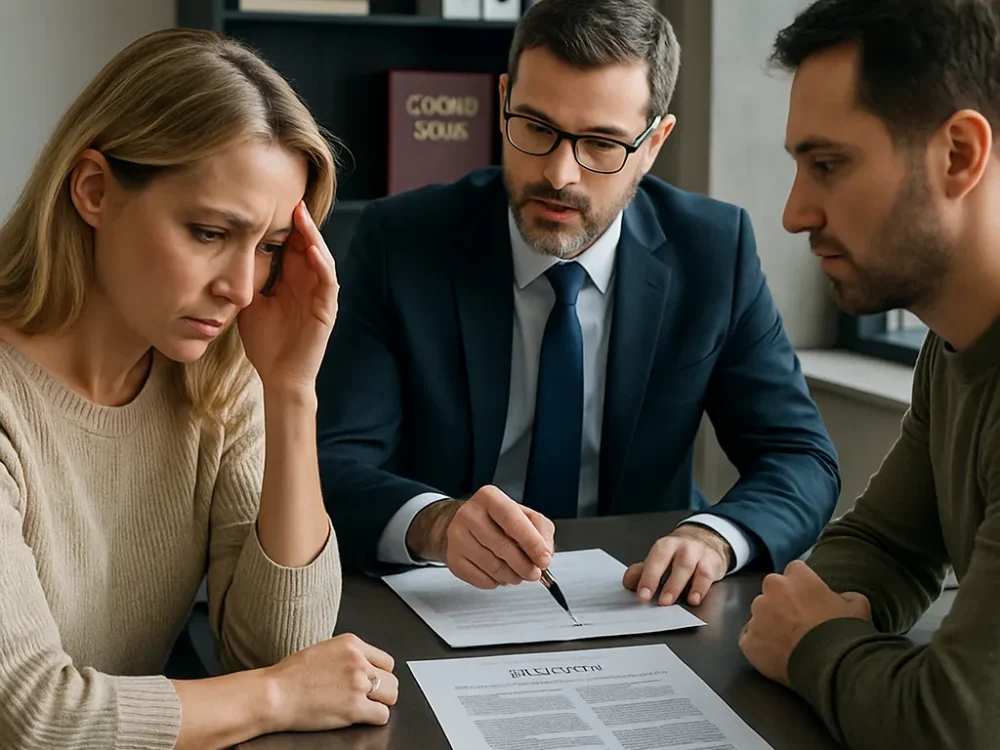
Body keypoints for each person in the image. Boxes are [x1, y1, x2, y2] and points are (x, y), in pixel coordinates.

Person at [317, 0, 840, 606]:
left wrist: (715, 537)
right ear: (505, 98)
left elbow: (798, 455)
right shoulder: (402, 240)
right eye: (536, 128)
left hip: (636, 595)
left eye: (601, 143)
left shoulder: (713, 251)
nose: (560, 173)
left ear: (653, 144)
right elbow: (334, 461)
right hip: (443, 595)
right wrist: (434, 523)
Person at [0, 28, 399, 750]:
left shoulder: (216, 371)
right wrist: (277, 695)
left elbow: (282, 645)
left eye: (271, 247)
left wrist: (291, 392)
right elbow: (35, 717)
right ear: (94, 190)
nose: (243, 287)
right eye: (211, 231)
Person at [738, 1, 1000, 748]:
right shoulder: (953, 344)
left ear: (957, 155)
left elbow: (955, 725)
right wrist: (814, 614)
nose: (793, 213)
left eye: (828, 165)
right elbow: (888, 544)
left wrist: (813, 642)